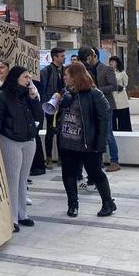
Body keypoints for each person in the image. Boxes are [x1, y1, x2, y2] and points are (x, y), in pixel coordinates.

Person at [55, 62, 116, 217]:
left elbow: (104, 120)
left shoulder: (95, 94)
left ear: (75, 76)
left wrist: (100, 144)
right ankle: (72, 205)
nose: (64, 77)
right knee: (68, 174)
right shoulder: (66, 92)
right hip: (67, 142)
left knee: (95, 173)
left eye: (67, 75)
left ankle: (108, 203)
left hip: (87, 143)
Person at [0, 66, 42, 233]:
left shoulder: (27, 95)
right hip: (10, 139)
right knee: (12, 179)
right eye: (25, 77)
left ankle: (22, 214)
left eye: (29, 77)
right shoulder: (1, 95)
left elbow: (39, 117)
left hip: (28, 140)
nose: (29, 80)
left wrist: (34, 99)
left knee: (22, 179)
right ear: (15, 78)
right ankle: (11, 218)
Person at [78, 47, 120, 171]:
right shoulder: (84, 70)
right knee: (93, 133)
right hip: (90, 106)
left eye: (88, 58)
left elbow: (114, 86)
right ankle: (98, 161)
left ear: (94, 56)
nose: (87, 60)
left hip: (105, 105)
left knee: (108, 133)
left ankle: (114, 161)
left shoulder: (107, 69)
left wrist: (96, 91)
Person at [40, 48, 66, 166]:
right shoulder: (46, 71)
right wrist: (48, 104)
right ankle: (49, 158)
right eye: (61, 56)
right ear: (54, 57)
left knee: (62, 132)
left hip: (64, 105)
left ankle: (62, 157)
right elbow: (43, 89)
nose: (63, 57)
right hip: (51, 106)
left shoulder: (66, 70)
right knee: (50, 132)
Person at [108, 56, 132, 132]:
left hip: (121, 96)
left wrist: (120, 87)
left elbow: (126, 83)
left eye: (113, 61)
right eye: (110, 61)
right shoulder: (108, 72)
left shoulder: (122, 72)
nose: (111, 63)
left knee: (123, 117)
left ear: (117, 63)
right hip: (111, 96)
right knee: (112, 117)